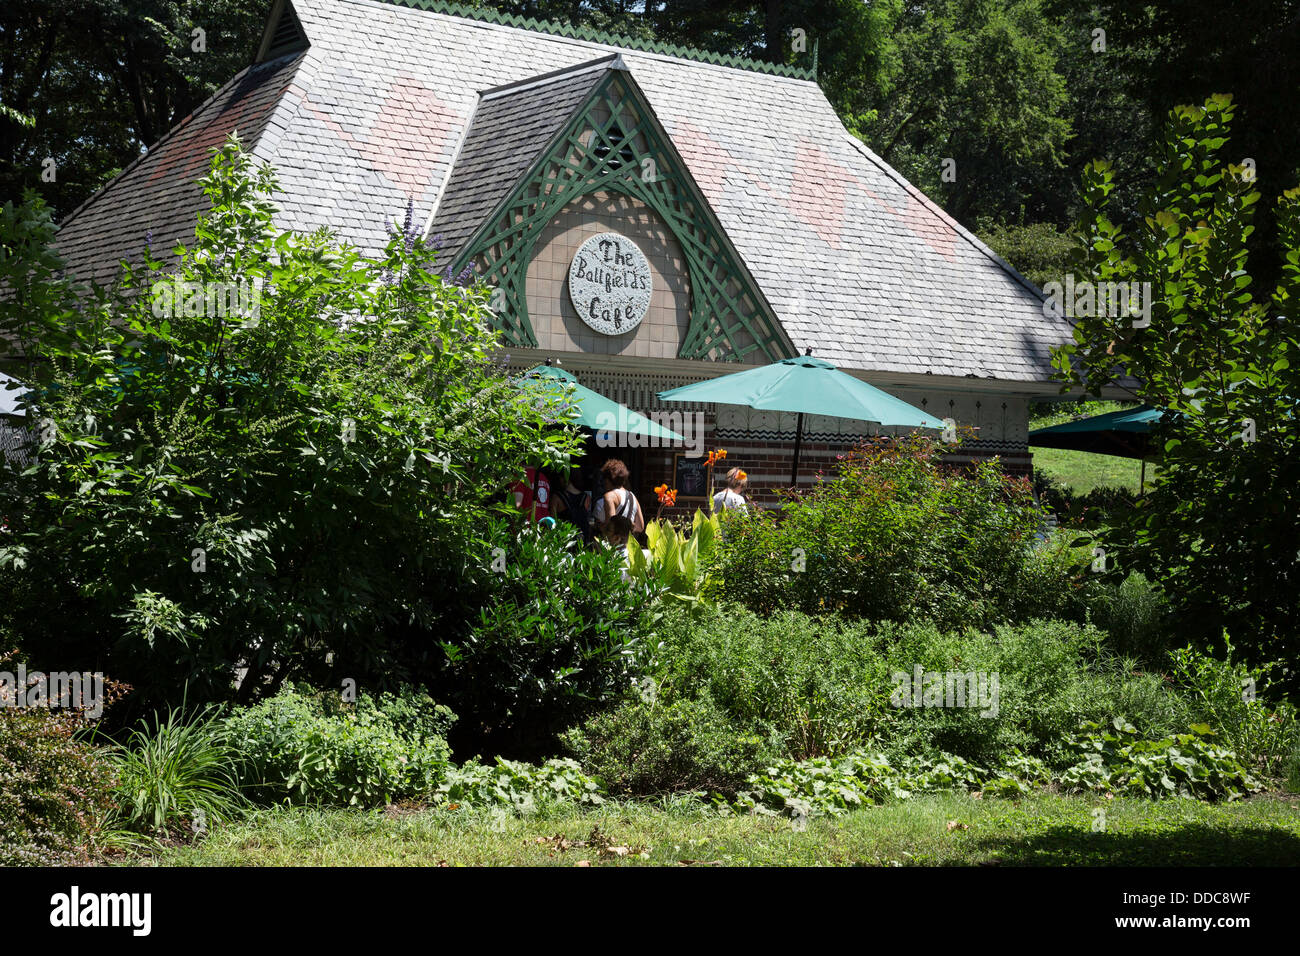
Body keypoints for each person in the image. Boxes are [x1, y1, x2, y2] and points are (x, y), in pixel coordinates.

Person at [597, 458, 644, 534]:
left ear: (608, 480)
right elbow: (640, 527)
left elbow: (611, 526)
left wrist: (599, 526)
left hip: (614, 541)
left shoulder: (609, 496)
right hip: (628, 540)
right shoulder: (632, 496)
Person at [552, 469, 594, 544]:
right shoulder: (586, 497)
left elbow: (552, 521)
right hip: (582, 538)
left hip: (565, 540)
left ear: (565, 478)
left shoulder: (557, 497)